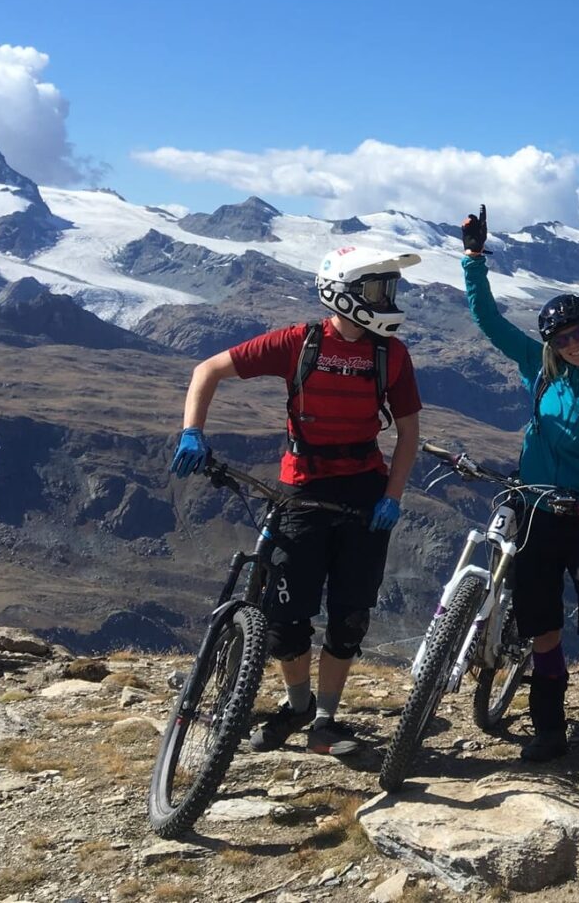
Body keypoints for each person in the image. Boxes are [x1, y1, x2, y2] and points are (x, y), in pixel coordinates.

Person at [170, 246, 423, 756]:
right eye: (377, 290)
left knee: (350, 617)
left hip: (364, 492)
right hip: (302, 489)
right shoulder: (298, 342)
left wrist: (392, 497)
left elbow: (409, 433)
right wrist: (192, 431)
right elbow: (208, 370)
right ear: (343, 292)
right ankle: (298, 705)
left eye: (389, 289)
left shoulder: (390, 355)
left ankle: (325, 721)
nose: (386, 300)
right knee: (286, 620)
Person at [459, 206, 579, 784]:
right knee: (542, 629)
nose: (573, 344)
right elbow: (488, 319)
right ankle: (548, 731)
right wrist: (474, 259)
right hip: (537, 515)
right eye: (562, 338)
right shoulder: (539, 370)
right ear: (551, 343)